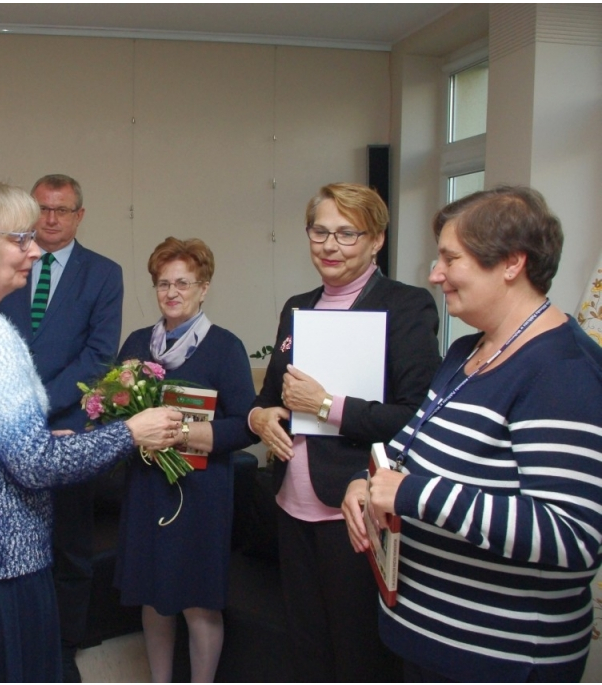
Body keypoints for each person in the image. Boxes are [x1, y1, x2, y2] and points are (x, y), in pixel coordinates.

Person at [0, 178, 183, 683]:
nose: (35, 249)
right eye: (19, 239)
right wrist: (131, 433)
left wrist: (44, 438)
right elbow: (33, 466)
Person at [343, 186, 602, 682]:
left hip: (497, 661)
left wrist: (413, 494)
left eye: (450, 259)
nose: (434, 274)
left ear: (511, 263)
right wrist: (362, 480)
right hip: (423, 638)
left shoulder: (563, 372)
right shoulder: (465, 352)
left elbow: (572, 537)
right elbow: (408, 447)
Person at [248, 183, 441, 681]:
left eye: (346, 234)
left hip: (355, 507)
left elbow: (416, 414)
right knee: (305, 642)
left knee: (356, 650)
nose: (329, 246)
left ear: (376, 240)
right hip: (293, 500)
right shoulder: (298, 306)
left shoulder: (405, 306)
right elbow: (270, 398)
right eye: (320, 232)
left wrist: (329, 406)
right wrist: (260, 418)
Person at [0, 173, 123, 682]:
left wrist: (35, 403)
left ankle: (64, 647)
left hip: (70, 430)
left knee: (70, 550)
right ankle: (17, 642)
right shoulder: (7, 265)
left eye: (61, 210)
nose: (49, 219)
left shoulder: (104, 273)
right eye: (42, 209)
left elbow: (98, 358)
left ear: (79, 216)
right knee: (12, 547)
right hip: (4, 431)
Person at [113, 237, 256, 682]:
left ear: (203, 288)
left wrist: (187, 433)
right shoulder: (138, 343)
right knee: (154, 599)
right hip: (147, 489)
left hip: (201, 492)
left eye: (183, 283)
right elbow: (115, 405)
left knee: (199, 603)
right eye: (162, 284)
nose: (172, 292)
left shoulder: (224, 347)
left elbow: (248, 425)